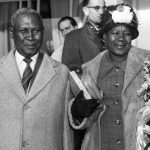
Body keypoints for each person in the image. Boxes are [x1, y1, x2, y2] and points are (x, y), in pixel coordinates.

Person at [68, 3, 150, 150]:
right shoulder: (90, 69)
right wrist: (76, 111)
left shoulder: (147, 62)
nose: (121, 38)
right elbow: (88, 116)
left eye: (127, 33)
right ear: (104, 36)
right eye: (115, 32)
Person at [0, 8, 74, 150]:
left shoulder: (61, 73)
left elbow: (66, 129)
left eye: (36, 30)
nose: (31, 37)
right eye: (24, 31)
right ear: (11, 32)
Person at [62, 0, 105, 71]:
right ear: (86, 11)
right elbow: (71, 72)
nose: (101, 12)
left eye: (103, 8)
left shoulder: (111, 33)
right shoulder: (73, 37)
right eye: (96, 8)